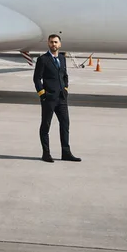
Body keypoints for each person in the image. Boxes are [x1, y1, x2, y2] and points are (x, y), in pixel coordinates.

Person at [33, 34, 81, 163]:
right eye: (51, 42)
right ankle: (46, 153)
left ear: (60, 44)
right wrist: (42, 94)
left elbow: (65, 75)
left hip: (62, 99)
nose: (53, 44)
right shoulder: (43, 59)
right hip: (48, 98)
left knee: (65, 125)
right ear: (48, 44)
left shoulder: (62, 58)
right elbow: (37, 78)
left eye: (55, 42)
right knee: (46, 126)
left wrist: (65, 89)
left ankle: (66, 152)